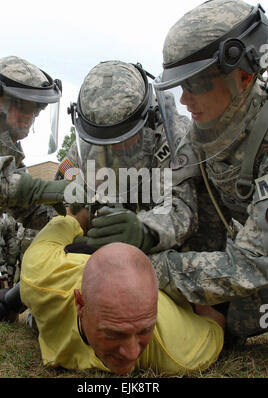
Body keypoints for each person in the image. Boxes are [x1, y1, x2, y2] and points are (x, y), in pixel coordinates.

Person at [152, 0, 268, 341]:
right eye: (181, 86)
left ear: (244, 75)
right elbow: (178, 206)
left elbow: (253, 264)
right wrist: (141, 234)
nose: (185, 100)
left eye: (197, 84)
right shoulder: (200, 136)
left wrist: (152, 270)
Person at [18, 207, 224, 376]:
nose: (132, 353)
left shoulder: (176, 348)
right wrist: (87, 206)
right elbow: (69, 218)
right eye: (115, 333)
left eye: (144, 331)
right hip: (78, 259)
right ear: (79, 304)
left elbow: (215, 321)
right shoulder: (40, 275)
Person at [59, 60, 200, 254]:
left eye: (122, 137)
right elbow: (67, 188)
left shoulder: (174, 137)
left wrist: (143, 231)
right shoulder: (91, 140)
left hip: (168, 254)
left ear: (146, 118)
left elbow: (182, 210)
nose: (112, 147)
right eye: (103, 140)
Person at [0, 55, 69, 251]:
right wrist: (40, 189)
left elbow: (27, 208)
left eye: (36, 111)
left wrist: (77, 222)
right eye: (22, 108)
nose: (29, 118)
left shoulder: (6, 146)